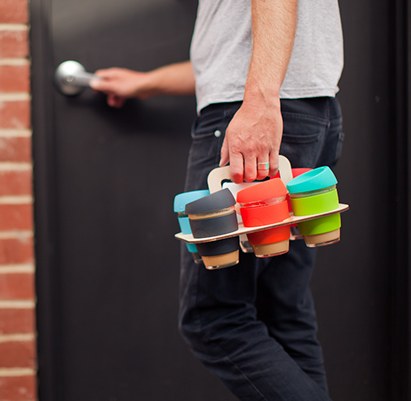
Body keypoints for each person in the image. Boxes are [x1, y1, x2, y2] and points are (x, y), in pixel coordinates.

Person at [90, 0, 344, 400]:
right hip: (309, 115)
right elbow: (226, 57)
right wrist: (147, 83)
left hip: (254, 122)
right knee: (283, 313)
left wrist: (259, 103)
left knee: (213, 319)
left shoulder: (260, 102)